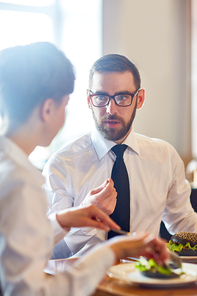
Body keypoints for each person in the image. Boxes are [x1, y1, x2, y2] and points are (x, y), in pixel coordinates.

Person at [0, 43, 169, 296]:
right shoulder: (23, 182)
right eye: (65, 104)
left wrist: (64, 219)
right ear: (48, 109)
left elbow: (14, 246)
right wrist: (112, 251)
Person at [43, 53, 197, 258]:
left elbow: (183, 222)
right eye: (101, 97)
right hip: (85, 285)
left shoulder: (165, 157)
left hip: (147, 281)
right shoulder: (61, 165)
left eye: (122, 97)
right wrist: (85, 214)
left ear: (139, 99)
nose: (110, 109)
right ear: (89, 100)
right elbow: (51, 252)